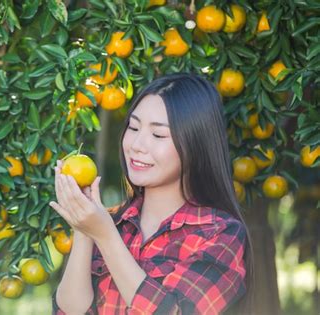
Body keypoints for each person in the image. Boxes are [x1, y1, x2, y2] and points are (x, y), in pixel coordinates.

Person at [49, 73, 253, 315]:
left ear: (195, 144)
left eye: (158, 135)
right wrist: (84, 231)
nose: (136, 144)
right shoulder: (110, 223)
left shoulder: (219, 234)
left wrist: (105, 237)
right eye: (133, 127)